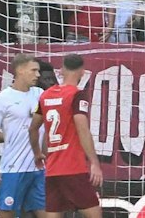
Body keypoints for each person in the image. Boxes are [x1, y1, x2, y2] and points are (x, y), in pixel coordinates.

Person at [35, 55, 102, 218]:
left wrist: (38, 153)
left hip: (52, 169)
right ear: (82, 72)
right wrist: (94, 162)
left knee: (53, 213)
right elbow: (82, 128)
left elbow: (33, 128)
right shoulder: (77, 94)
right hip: (73, 167)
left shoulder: (45, 96)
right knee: (94, 213)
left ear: (61, 70)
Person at [0, 55, 46, 218]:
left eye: (38, 71)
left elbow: (41, 129)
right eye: (34, 70)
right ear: (20, 70)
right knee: (6, 213)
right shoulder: (2, 99)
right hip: (13, 168)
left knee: (47, 212)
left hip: (37, 168)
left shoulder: (40, 94)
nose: (38, 75)